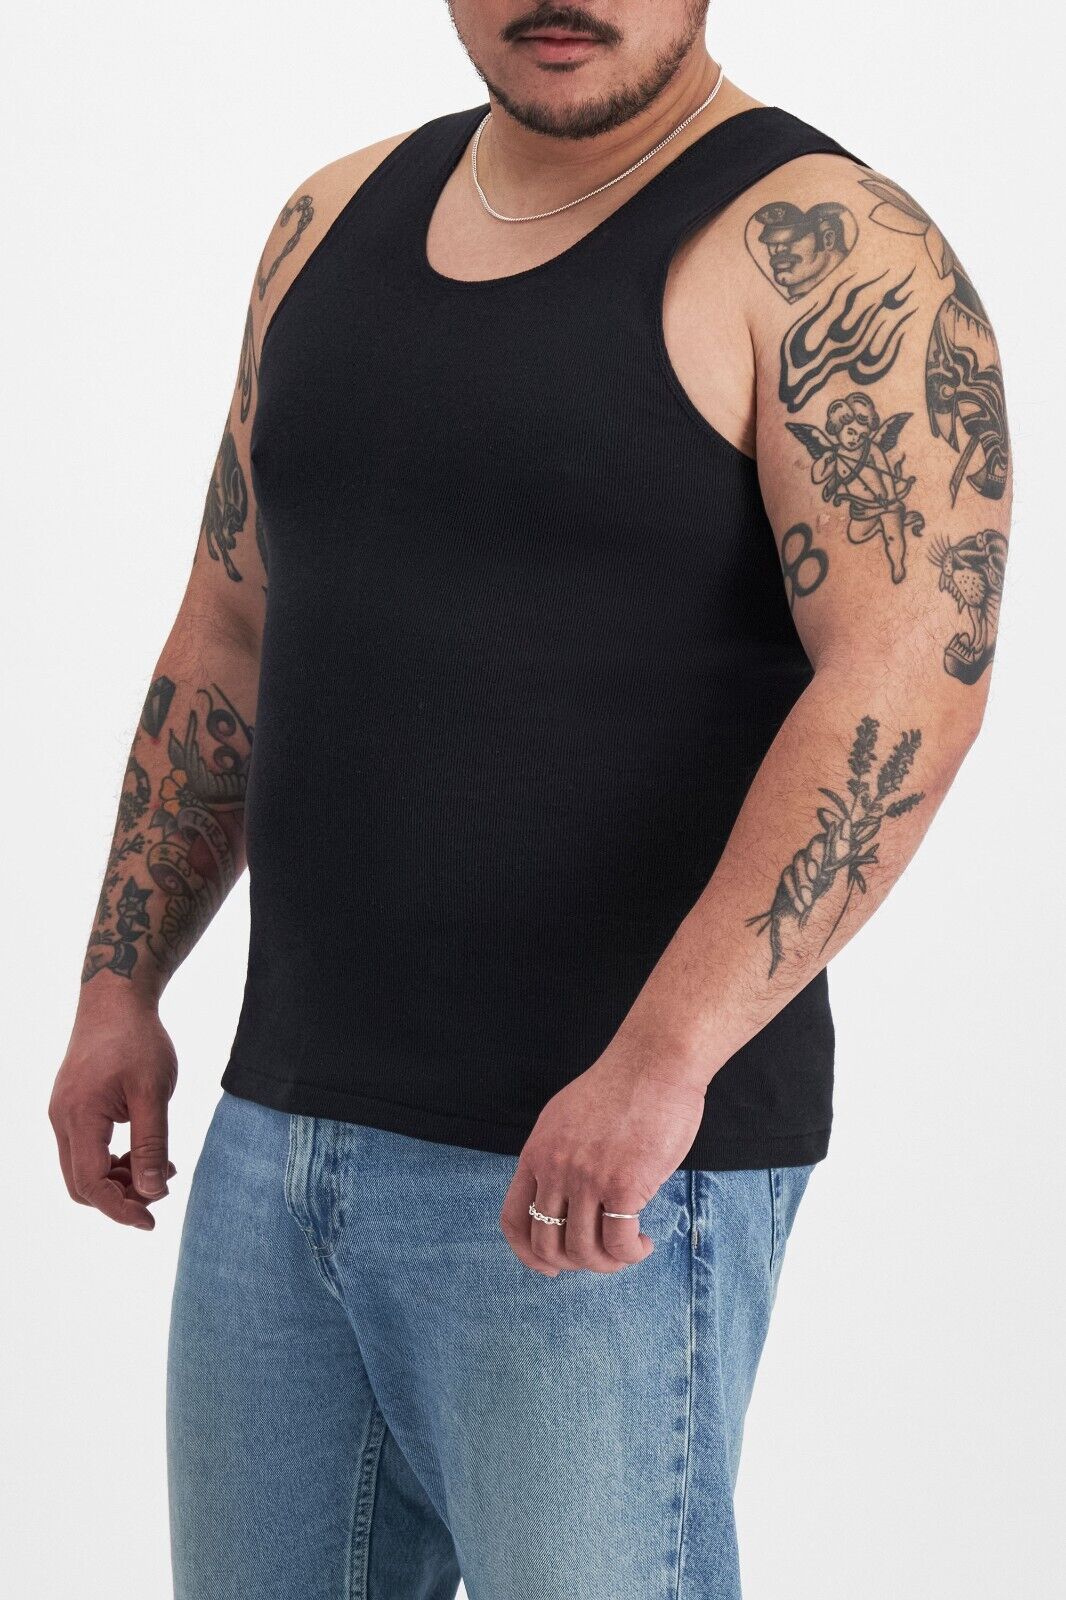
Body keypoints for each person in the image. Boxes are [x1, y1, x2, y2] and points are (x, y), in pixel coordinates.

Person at [49, 4, 1012, 1596]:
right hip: (279, 1144)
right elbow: (229, 623)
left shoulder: (826, 250)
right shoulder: (326, 220)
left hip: (599, 1171)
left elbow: (908, 683)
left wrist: (661, 1061)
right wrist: (118, 983)